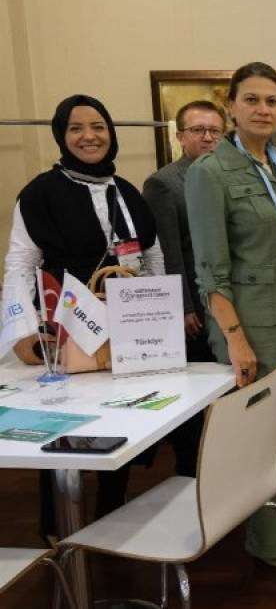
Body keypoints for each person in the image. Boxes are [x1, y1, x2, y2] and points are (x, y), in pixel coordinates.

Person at [185, 62, 276, 568]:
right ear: (231, 106)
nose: (263, 109)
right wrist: (234, 337)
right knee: (271, 434)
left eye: (272, 101)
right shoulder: (209, 173)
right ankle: (270, 539)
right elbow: (210, 271)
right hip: (254, 320)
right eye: (251, 99)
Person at [3, 94, 164, 540]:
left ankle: (112, 511)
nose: (89, 136)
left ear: (110, 132)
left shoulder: (127, 192)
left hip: (125, 329)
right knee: (62, 423)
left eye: (98, 126)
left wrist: (158, 311)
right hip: (65, 327)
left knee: (123, 420)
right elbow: (20, 263)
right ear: (61, 135)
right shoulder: (39, 193)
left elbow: (152, 255)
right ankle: (57, 526)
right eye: (76, 128)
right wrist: (22, 333)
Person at [143, 100, 226, 363]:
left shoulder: (229, 178)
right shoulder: (163, 183)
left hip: (231, 294)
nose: (208, 137)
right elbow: (169, 251)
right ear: (180, 137)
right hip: (195, 301)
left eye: (215, 131)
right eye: (198, 130)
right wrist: (182, 306)